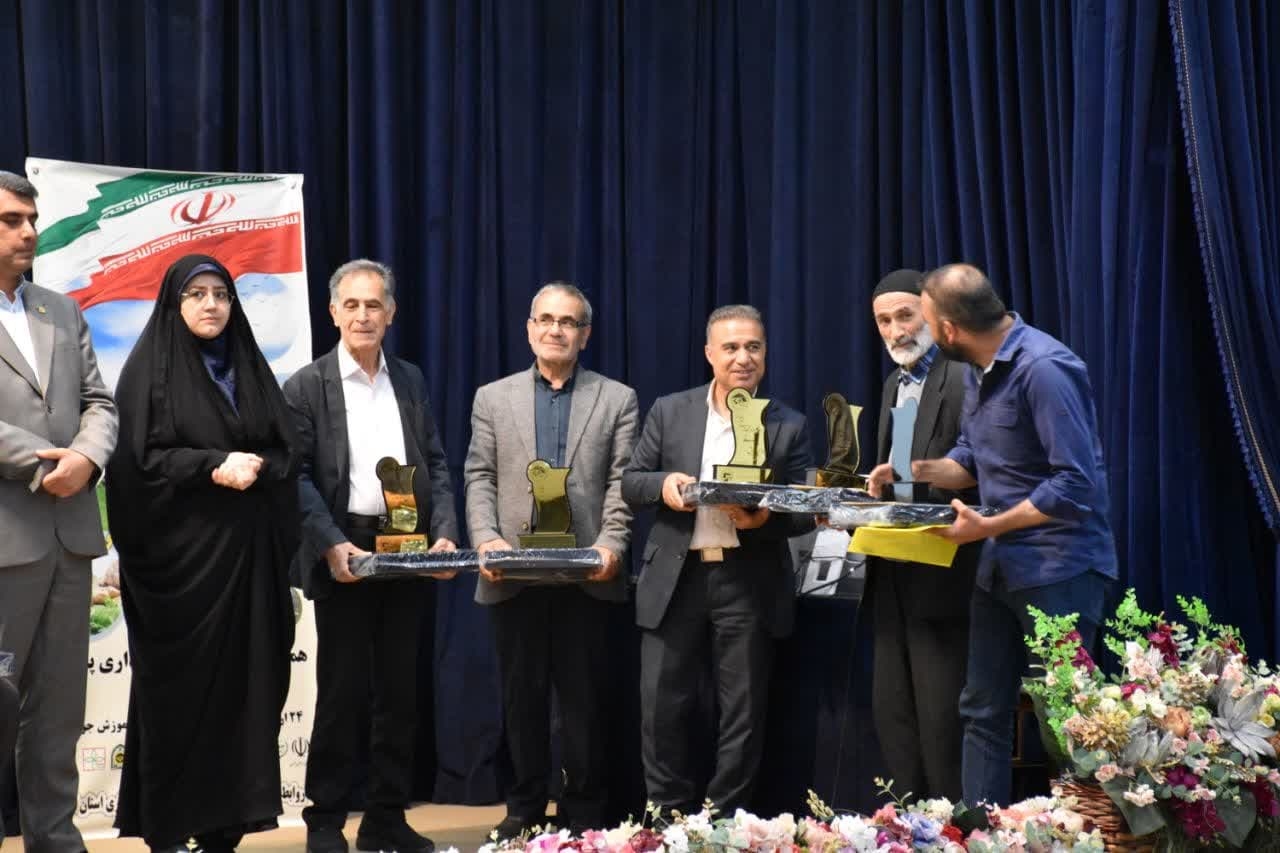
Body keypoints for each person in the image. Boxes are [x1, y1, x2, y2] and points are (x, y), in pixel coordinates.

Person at [870, 263, 1118, 806]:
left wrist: (990, 526)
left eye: (923, 318)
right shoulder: (976, 370)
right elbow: (969, 459)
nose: (914, 331)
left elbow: (1075, 483)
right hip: (998, 568)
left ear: (949, 329)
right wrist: (911, 469)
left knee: (1069, 717)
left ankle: (1085, 830)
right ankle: (982, 829)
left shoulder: (1045, 368)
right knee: (981, 708)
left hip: (1059, 570)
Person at [107, 254, 299, 852]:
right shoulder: (146, 373)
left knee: (250, 695)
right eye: (197, 294)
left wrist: (259, 465)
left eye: (221, 294)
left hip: (249, 566)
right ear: (174, 303)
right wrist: (211, 465)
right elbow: (137, 465)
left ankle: (225, 832)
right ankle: (170, 830)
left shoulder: (250, 367)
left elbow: (287, 446)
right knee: (180, 703)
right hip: (181, 574)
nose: (211, 304)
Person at [284, 259, 459, 853]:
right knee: (342, 693)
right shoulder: (307, 385)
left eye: (374, 305)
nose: (363, 315)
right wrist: (331, 543)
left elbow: (436, 462)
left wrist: (443, 533)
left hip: (408, 547)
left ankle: (385, 817)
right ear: (333, 312)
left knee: (399, 693)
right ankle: (326, 820)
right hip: (345, 547)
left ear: (391, 313)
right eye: (352, 305)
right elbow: (296, 477)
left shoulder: (409, 378)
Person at [622, 305, 813, 816]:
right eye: (731, 347)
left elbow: (805, 512)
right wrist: (665, 484)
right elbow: (631, 482)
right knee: (662, 707)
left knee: (742, 713)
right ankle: (667, 817)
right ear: (710, 354)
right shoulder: (671, 410)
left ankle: (724, 822)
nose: (743, 357)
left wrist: (764, 519)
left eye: (753, 347)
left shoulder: (789, 424)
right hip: (675, 578)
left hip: (747, 580)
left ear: (765, 354)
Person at [464, 282, 638, 839]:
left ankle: (585, 813)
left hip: (588, 576)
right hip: (513, 575)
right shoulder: (493, 398)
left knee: (585, 703)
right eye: (545, 319)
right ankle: (524, 808)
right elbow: (479, 476)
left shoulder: (617, 399)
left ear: (584, 335)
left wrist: (612, 544)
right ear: (529, 328)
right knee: (521, 701)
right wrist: (485, 538)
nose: (555, 330)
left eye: (568, 322)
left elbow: (622, 483)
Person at [0, 170, 117, 853]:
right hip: (6, 540)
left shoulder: (61, 310)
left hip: (69, 543)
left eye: (32, 220)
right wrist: (49, 463)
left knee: (58, 711)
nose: (29, 232)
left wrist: (88, 458)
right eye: (11, 220)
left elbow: (99, 401)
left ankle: (55, 839)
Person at [861, 268, 979, 802]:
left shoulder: (963, 374)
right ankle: (908, 822)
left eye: (905, 316)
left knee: (941, 717)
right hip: (893, 568)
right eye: (884, 321)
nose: (895, 330)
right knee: (895, 711)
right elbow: (898, 481)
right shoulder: (894, 383)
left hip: (947, 570)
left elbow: (977, 468)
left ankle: (953, 824)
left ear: (931, 315)